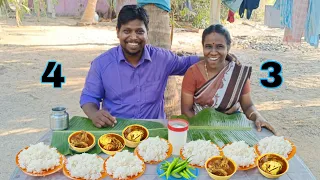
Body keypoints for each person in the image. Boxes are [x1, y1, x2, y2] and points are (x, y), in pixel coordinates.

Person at [80, 5, 200, 128]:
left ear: (147, 33)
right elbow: (88, 98)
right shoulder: (102, 64)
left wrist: (215, 55)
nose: (133, 37)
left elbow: (188, 63)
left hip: (154, 135)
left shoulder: (162, 59)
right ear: (118, 32)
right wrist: (94, 114)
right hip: (116, 132)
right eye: (127, 31)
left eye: (139, 32)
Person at [181, 24, 276, 134]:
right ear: (203, 47)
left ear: (228, 48)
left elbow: (248, 106)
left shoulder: (237, 73)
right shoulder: (193, 73)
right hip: (201, 126)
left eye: (220, 46)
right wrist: (205, 129)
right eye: (208, 46)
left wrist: (258, 117)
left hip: (232, 126)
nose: (213, 52)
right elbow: (186, 110)